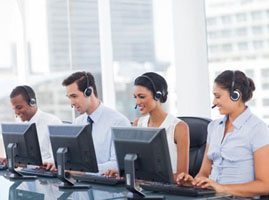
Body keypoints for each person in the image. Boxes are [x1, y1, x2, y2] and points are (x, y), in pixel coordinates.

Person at [177, 70, 269, 197]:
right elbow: (204, 172)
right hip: (211, 196)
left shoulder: (258, 129)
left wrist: (222, 188)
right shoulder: (214, 127)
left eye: (218, 96)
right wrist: (194, 182)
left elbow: (265, 185)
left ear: (235, 95)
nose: (214, 102)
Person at [105, 72, 190, 181]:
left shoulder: (179, 128)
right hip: (143, 189)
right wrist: (122, 174)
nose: (137, 102)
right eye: (135, 97)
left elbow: (182, 177)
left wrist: (145, 180)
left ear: (157, 95)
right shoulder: (137, 124)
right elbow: (136, 169)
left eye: (141, 97)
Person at [62, 71, 130, 174]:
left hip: (106, 187)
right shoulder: (77, 123)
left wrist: (84, 171)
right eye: (69, 98)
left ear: (89, 92)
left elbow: (118, 164)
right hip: (81, 184)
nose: (71, 103)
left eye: (74, 96)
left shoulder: (118, 122)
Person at [0, 85, 62, 169]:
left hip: (46, 176)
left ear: (32, 102)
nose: (16, 112)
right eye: (14, 109)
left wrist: (48, 164)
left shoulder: (52, 122)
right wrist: (11, 161)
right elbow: (27, 162)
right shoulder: (20, 126)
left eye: (19, 107)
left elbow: (58, 161)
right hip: (27, 175)